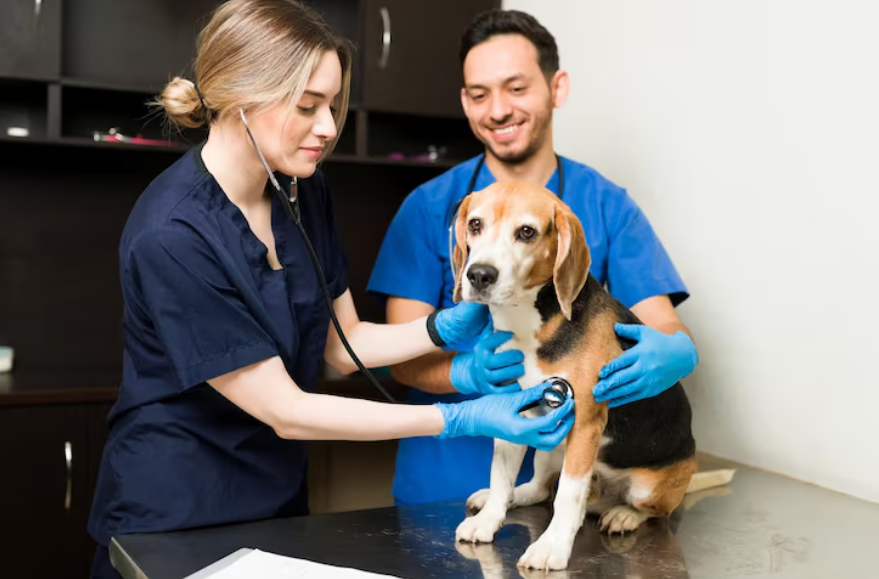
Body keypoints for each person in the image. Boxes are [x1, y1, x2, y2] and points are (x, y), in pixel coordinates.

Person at [85, 2, 577, 578]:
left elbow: (343, 348)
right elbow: (287, 411)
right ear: (243, 98)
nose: (327, 127)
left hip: (275, 503)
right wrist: (461, 417)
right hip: (172, 512)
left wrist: (437, 328)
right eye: (308, 106)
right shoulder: (173, 234)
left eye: (333, 105)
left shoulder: (299, 189)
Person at [367, 9, 700, 507]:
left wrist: (674, 353)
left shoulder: (607, 206)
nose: (497, 109)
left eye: (516, 88)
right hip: (439, 488)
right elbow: (401, 361)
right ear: (465, 102)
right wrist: (466, 375)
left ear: (556, 88)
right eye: (479, 95)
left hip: (562, 488)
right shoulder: (430, 207)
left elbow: (662, 327)